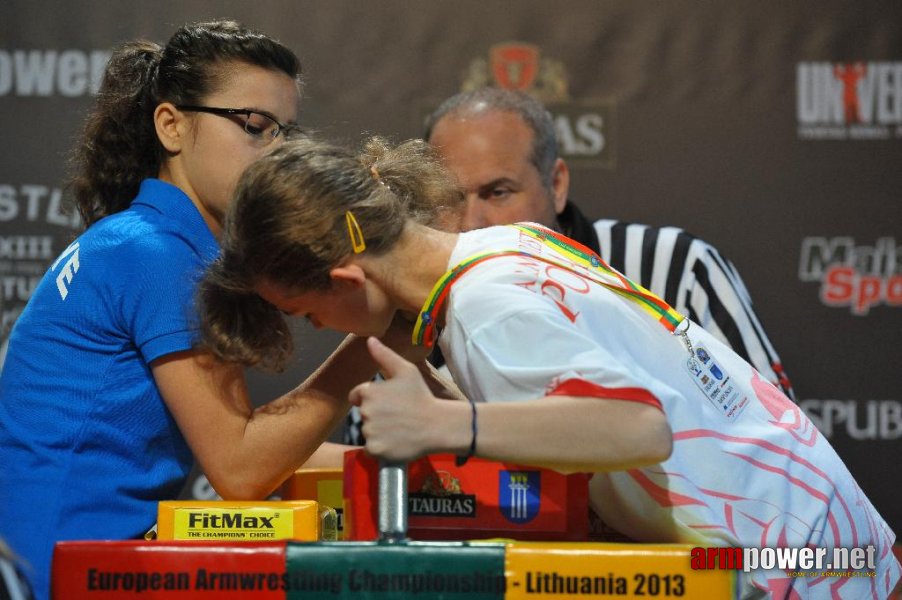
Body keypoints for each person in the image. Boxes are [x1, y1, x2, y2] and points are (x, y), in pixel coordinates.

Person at [199, 136, 899, 599]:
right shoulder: (503, 246)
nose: (316, 329)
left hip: (789, 566)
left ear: (346, 278)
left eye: (306, 312)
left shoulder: (485, 307)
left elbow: (638, 428)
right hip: (819, 535)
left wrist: (446, 423)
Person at [0, 21, 423, 600]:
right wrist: (383, 335)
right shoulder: (157, 254)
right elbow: (242, 468)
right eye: (255, 126)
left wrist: (433, 452)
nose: (277, 152)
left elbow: (246, 449)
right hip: (58, 574)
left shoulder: (148, 239)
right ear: (172, 125)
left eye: (287, 133)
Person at [423, 87, 794, 398]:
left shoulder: (677, 271)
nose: (471, 223)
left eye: (498, 192)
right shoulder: (410, 306)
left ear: (556, 185)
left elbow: (775, 435)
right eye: (449, 198)